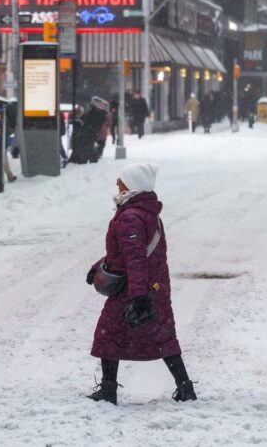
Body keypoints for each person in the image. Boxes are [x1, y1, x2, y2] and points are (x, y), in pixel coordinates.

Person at [85, 163, 196, 405]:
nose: (117, 183)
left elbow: (135, 259)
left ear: (132, 185)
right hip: (152, 285)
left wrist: (138, 297)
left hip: (136, 288)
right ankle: (185, 387)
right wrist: (98, 267)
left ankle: (108, 390)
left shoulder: (130, 216)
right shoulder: (144, 212)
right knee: (162, 335)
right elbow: (129, 253)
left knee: (108, 334)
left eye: (121, 180)